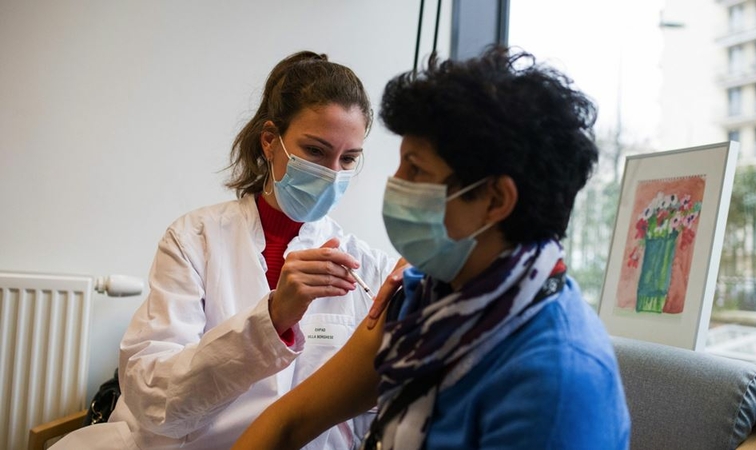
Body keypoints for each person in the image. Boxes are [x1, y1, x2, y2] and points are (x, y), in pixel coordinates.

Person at [234, 45, 631, 450]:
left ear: (494, 200)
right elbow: (290, 422)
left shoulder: (555, 385)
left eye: (416, 169)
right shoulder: (423, 297)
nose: (396, 181)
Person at [50, 51, 397, 450]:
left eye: (348, 158)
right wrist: (273, 318)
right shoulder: (194, 239)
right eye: (316, 152)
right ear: (271, 141)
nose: (331, 174)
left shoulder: (368, 268)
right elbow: (152, 396)